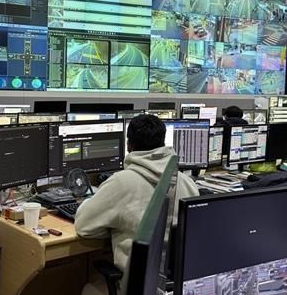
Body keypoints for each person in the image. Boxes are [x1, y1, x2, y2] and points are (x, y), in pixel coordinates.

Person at [74, 114, 200, 272]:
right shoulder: (187, 183)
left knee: (88, 284)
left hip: (134, 283)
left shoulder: (121, 183)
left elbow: (83, 227)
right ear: (163, 143)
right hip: (175, 281)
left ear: (129, 145)